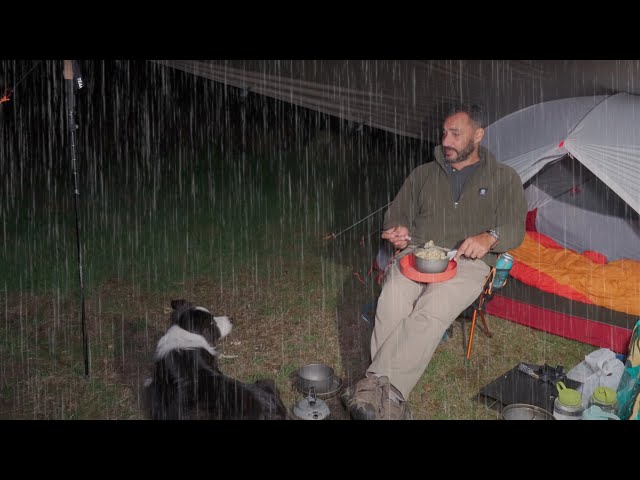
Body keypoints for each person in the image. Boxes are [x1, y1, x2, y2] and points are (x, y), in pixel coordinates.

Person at [342, 104, 527, 420]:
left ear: (478, 135)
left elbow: (515, 227)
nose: (447, 140)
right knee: (392, 301)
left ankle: (377, 391)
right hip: (418, 252)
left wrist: (489, 237)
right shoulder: (423, 174)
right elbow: (395, 214)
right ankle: (386, 400)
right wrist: (397, 230)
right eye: (444, 133)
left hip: (469, 262)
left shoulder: (503, 178)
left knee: (432, 309)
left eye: (456, 133)